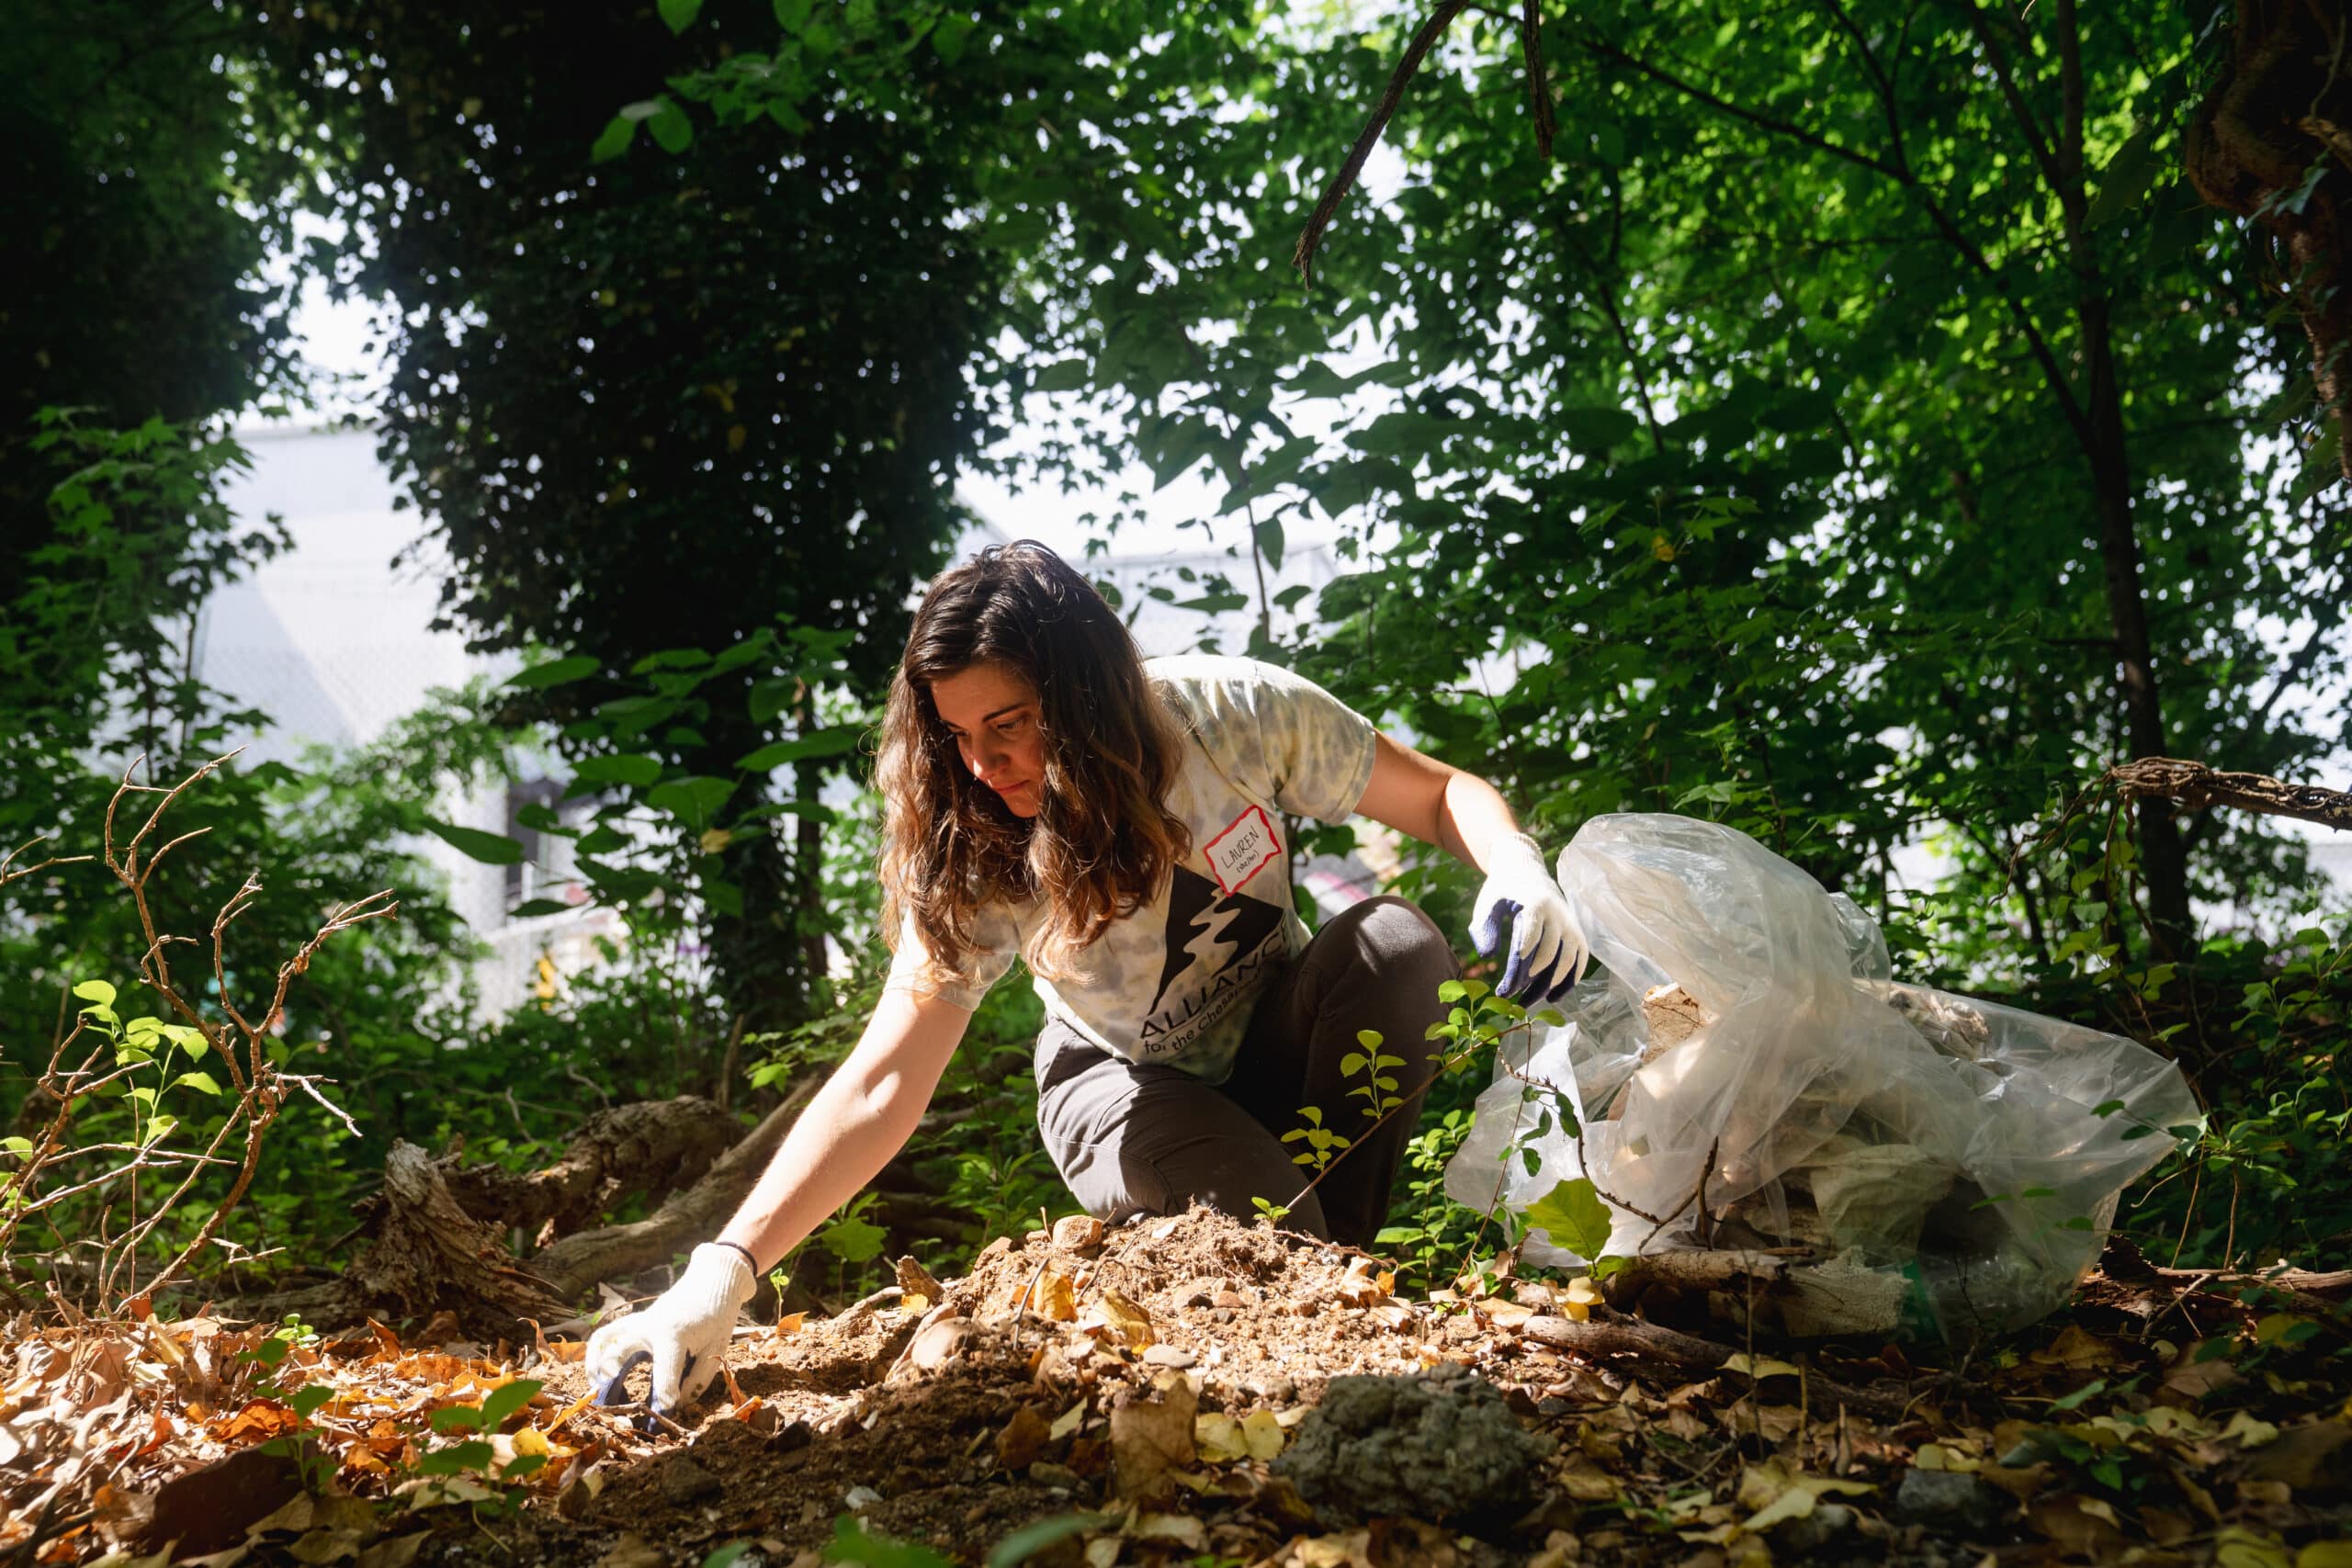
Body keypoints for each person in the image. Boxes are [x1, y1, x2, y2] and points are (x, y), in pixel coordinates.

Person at [585, 540, 1585, 1414]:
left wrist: (1513, 863)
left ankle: (1349, 1276)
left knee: (1398, 944)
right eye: (956, 737)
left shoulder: (1232, 716)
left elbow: (1439, 794)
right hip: (1124, 1087)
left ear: (1087, 693)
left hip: (1280, 1031)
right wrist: (724, 1269)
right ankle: (1329, 1286)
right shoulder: (975, 843)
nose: (982, 766)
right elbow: (886, 1078)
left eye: (1009, 724)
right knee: (1282, 1241)